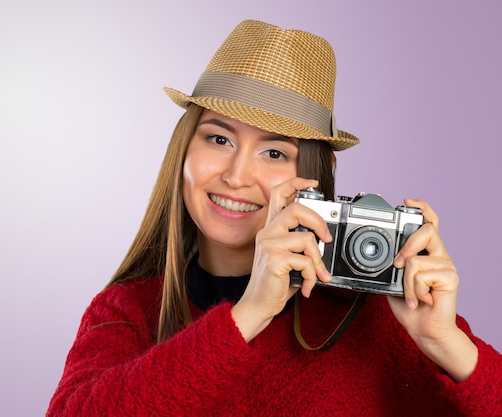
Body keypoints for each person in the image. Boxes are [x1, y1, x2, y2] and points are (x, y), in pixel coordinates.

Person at [46, 20, 502, 416]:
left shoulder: (376, 317)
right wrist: (249, 314)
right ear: (183, 154)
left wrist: (448, 345)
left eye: (273, 152)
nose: (237, 175)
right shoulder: (126, 312)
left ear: (311, 180)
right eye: (218, 139)